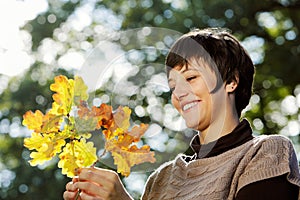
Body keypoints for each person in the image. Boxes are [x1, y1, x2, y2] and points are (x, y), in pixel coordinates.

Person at [63, 28, 300, 200]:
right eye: (173, 86)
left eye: (191, 78)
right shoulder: (160, 180)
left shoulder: (265, 153)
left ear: (231, 81)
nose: (179, 94)